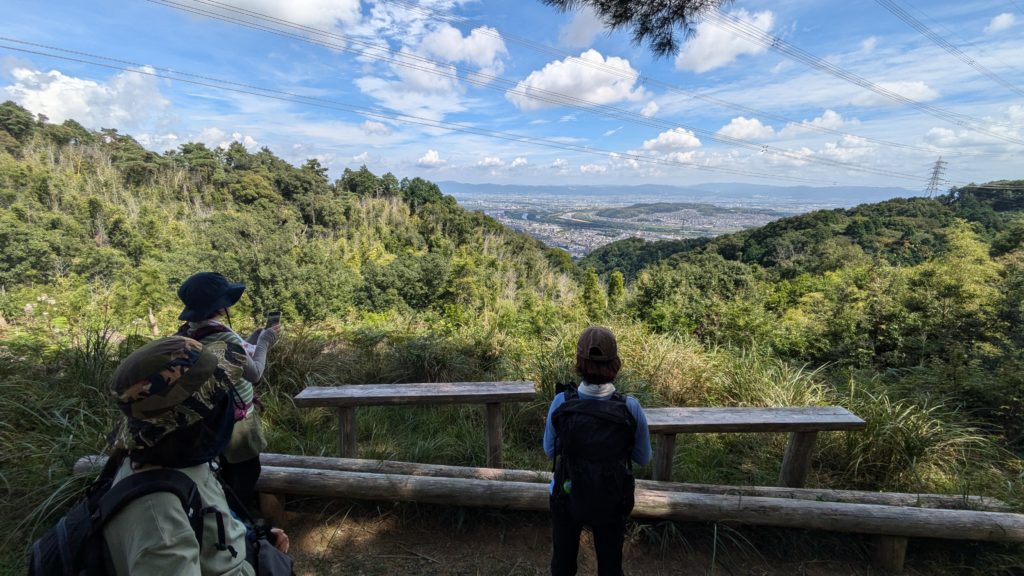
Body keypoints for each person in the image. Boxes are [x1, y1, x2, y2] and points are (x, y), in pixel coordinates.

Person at [104, 335, 289, 575]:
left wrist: (249, 540)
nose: (230, 402)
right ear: (199, 416)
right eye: (221, 393)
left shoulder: (180, 458)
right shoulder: (158, 521)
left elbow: (210, 529)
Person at [543, 327, 652, 576]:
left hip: (567, 494)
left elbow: (550, 450)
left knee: (562, 563)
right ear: (615, 364)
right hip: (611, 497)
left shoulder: (562, 402)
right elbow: (643, 458)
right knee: (611, 564)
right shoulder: (630, 408)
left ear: (579, 363)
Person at [175, 271, 281, 513]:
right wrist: (265, 341)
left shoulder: (193, 331)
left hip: (214, 415)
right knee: (246, 472)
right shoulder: (220, 334)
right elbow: (254, 373)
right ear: (220, 306)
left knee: (227, 470)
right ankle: (239, 520)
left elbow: (235, 356)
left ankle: (229, 512)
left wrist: (252, 338)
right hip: (238, 420)